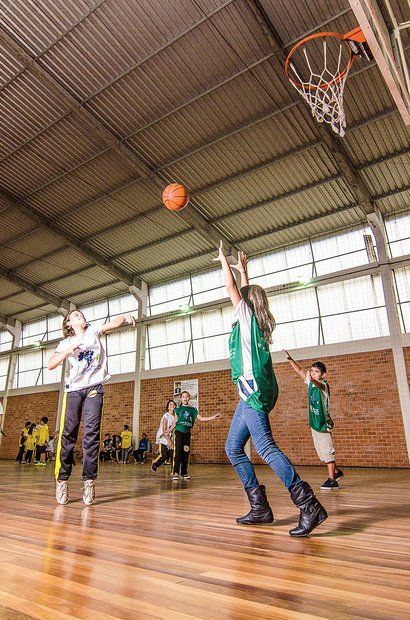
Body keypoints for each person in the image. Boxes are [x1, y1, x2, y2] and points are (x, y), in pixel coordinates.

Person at [215, 241, 327, 537]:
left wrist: (224, 261)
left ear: (246, 303)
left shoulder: (246, 317)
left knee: (265, 447)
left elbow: (232, 291)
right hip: (254, 392)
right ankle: (260, 508)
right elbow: (245, 293)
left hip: (253, 392)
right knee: (233, 448)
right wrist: (244, 270)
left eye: (243, 297)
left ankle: (308, 504)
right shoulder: (257, 321)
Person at [47, 308, 135, 505]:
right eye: (76, 315)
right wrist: (68, 351)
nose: (81, 316)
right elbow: (50, 364)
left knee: (91, 433)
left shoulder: (93, 331)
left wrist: (126, 316)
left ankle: (89, 481)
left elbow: (113, 322)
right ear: (68, 324)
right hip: (74, 391)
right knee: (68, 434)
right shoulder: (66, 343)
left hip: (94, 387)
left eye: (81, 314)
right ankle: (62, 480)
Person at [284, 353, 344, 490]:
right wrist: (290, 359)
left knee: (327, 451)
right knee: (322, 453)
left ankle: (332, 480)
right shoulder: (310, 382)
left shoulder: (323, 385)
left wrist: (313, 379)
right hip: (314, 422)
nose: (312, 373)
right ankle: (336, 471)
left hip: (323, 423)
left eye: (316, 372)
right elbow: (299, 370)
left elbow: (318, 384)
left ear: (323, 375)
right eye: (311, 371)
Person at [172, 391, 220, 481]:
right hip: (178, 432)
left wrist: (213, 417)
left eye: (187, 396)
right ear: (181, 398)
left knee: (186, 452)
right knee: (178, 452)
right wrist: (168, 431)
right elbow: (175, 422)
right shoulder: (177, 409)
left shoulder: (192, 410)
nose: (185, 398)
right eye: (183, 396)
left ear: (189, 398)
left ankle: (184, 472)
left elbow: (201, 418)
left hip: (187, 433)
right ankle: (176, 472)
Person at [151, 400, 176, 473]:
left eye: (174, 404)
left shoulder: (175, 417)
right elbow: (164, 429)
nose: (172, 405)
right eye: (170, 404)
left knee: (172, 455)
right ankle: (155, 464)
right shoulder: (166, 415)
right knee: (164, 455)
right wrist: (168, 440)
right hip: (162, 437)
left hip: (169, 437)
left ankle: (174, 472)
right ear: (168, 407)